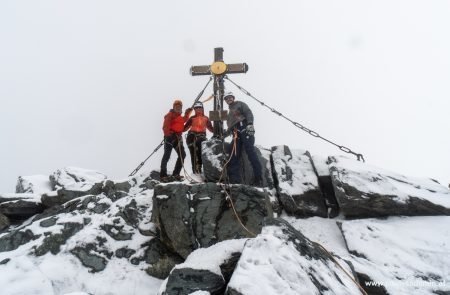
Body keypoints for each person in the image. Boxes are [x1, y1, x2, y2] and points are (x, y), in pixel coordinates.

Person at [223, 91, 263, 186]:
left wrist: (249, 124)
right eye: (227, 98)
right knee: (234, 155)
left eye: (230, 97)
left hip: (244, 128)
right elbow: (230, 128)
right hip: (236, 133)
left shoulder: (240, 104)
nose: (229, 99)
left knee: (250, 151)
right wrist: (222, 135)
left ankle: (258, 178)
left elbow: (248, 113)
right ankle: (235, 180)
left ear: (233, 98)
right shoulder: (229, 115)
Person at [160, 99, 192, 181]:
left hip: (177, 138)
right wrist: (168, 135)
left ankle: (176, 173)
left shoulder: (180, 118)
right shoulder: (170, 115)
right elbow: (165, 126)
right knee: (167, 155)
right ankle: (163, 175)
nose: (178, 108)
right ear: (174, 107)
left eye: (180, 107)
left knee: (182, 154)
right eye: (176, 107)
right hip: (170, 137)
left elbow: (184, 119)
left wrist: (188, 112)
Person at [184, 101, 214, 174]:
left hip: (201, 136)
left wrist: (218, 129)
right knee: (193, 152)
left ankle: (200, 167)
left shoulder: (206, 118)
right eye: (196, 108)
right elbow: (184, 129)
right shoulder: (192, 118)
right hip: (192, 135)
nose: (198, 109)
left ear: (202, 108)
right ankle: (195, 170)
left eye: (199, 108)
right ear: (194, 109)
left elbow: (211, 129)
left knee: (201, 150)